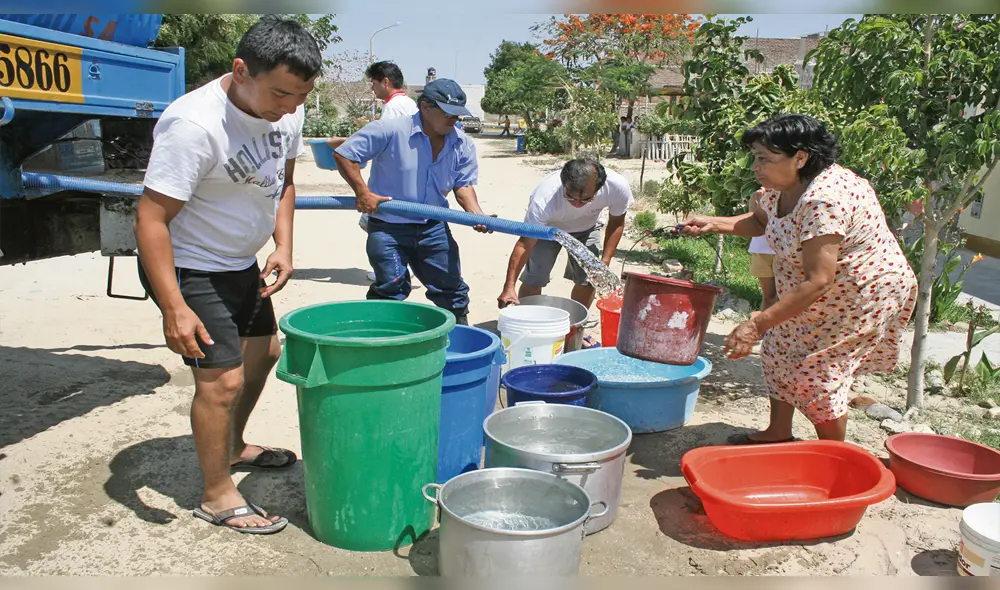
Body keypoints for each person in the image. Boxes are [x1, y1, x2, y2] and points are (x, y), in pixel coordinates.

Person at [133, 16, 321, 534]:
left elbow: (284, 181)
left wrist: (283, 242)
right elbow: (150, 219)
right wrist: (174, 306)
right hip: (189, 265)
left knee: (265, 353)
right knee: (222, 380)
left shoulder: (286, 112)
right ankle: (217, 493)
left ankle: (233, 444)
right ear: (240, 70)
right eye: (281, 94)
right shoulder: (194, 125)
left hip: (239, 263)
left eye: (301, 96)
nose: (289, 108)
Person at [680, 113, 918, 444]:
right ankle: (779, 432)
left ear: (801, 157)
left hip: (861, 291)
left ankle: (832, 459)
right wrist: (714, 222)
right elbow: (762, 222)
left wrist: (757, 323)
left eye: (764, 158)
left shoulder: (824, 198)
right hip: (816, 286)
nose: (755, 166)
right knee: (778, 347)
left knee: (819, 372)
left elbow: (819, 279)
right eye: (755, 157)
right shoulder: (782, 187)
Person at [332, 78, 492, 325]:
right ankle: (379, 338)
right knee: (391, 285)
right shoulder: (390, 130)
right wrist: (362, 192)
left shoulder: (461, 143)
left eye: (458, 115)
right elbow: (345, 154)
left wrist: (476, 214)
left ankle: (459, 335)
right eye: (448, 113)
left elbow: (463, 184)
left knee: (450, 286)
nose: (454, 120)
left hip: (434, 227)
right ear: (425, 106)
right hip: (388, 227)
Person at [497, 159, 633, 311]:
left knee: (589, 279)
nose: (577, 204)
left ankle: (576, 326)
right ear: (563, 184)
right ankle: (526, 320)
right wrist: (509, 287)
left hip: (587, 228)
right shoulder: (544, 197)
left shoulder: (617, 187)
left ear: (599, 188)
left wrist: (605, 261)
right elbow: (525, 243)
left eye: (586, 199)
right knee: (535, 278)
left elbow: (616, 223)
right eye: (570, 197)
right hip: (546, 231)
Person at [327, 61, 418, 283]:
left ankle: (390, 271)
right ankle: (400, 268)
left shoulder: (393, 107)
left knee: (377, 225)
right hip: (405, 176)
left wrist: (348, 144)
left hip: (388, 178)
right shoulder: (409, 104)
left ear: (385, 82)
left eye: (374, 83)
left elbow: (382, 140)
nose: (372, 88)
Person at [748, 192, 778, 310]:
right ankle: (764, 327)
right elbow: (752, 221)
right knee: (768, 297)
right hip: (761, 249)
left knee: (781, 296)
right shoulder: (758, 195)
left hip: (783, 251)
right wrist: (755, 201)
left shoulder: (790, 194)